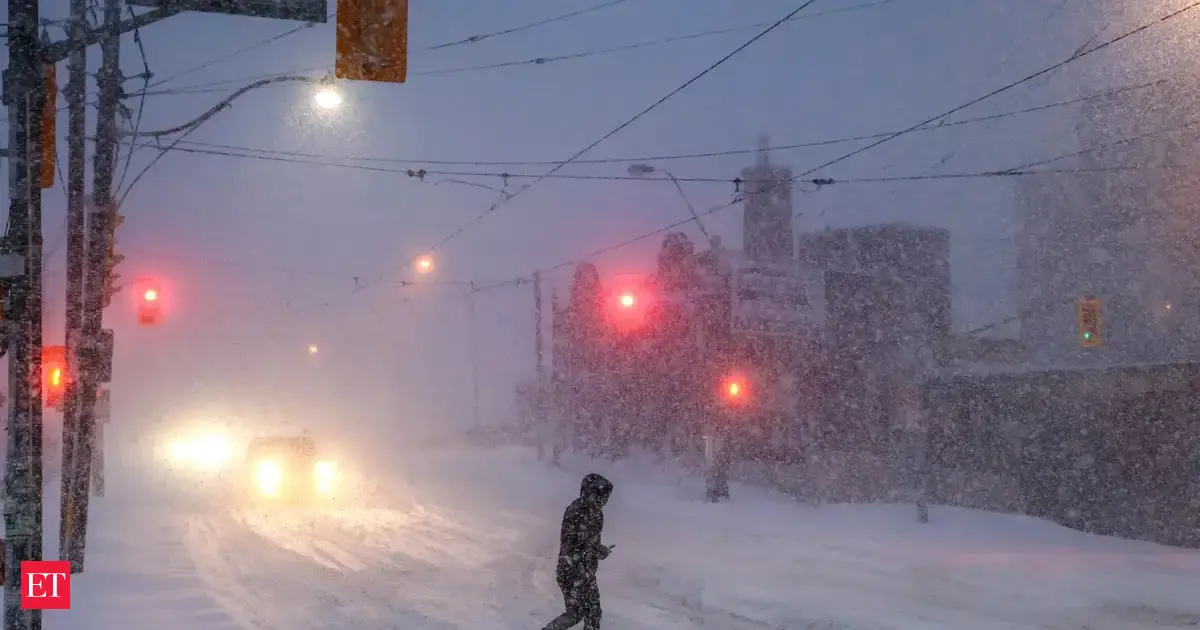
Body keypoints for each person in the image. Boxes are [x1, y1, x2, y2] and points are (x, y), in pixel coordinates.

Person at [542, 473, 614, 630]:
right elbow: (570, 545)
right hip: (571, 571)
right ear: (589, 493)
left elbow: (591, 541)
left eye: (606, 498)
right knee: (576, 612)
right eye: (601, 497)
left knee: (594, 613)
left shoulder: (597, 514)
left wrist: (600, 550)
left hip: (587, 572)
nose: (604, 502)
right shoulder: (575, 511)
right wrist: (582, 562)